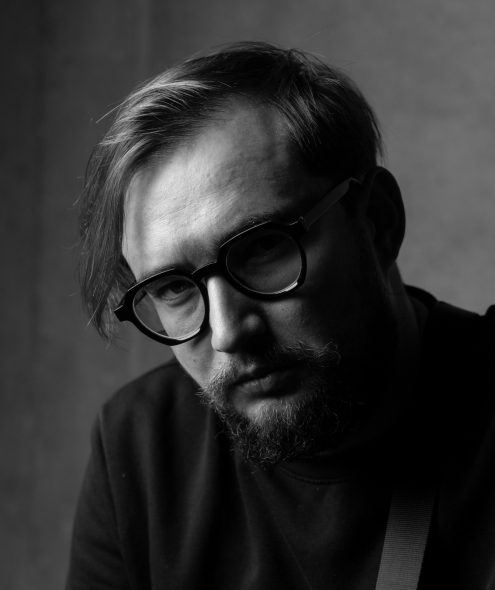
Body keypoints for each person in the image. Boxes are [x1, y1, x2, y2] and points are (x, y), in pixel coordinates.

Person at [67, 42, 495, 589]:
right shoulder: (142, 445)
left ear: (378, 222)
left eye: (262, 248)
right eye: (173, 288)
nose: (228, 333)